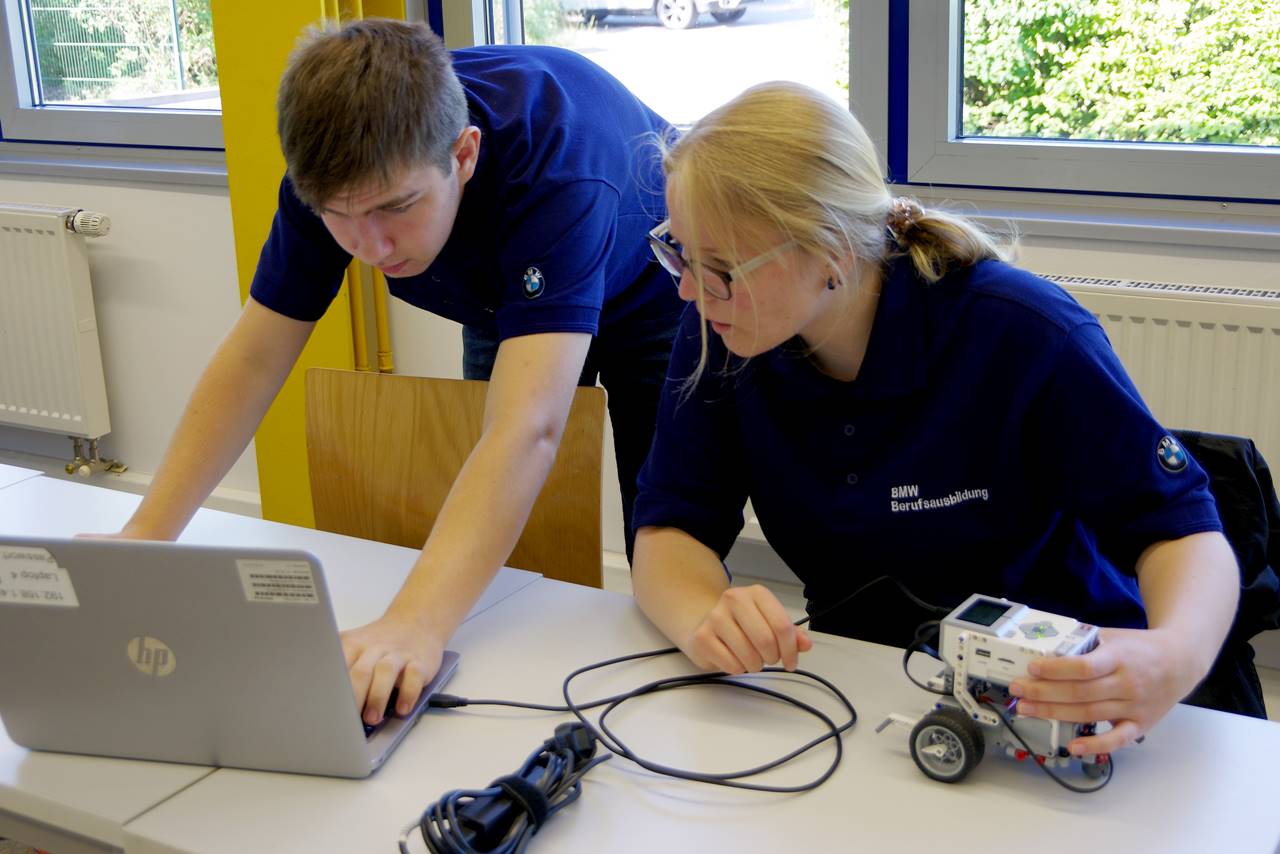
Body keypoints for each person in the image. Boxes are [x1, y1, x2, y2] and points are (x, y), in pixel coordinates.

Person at [629, 81, 1244, 759]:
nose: (687, 290)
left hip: (1062, 701)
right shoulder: (724, 329)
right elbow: (670, 528)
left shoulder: (1022, 332)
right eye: (679, 251)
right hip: (866, 695)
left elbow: (1184, 530)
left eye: (720, 267)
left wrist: (1176, 655)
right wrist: (705, 617)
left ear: (831, 254)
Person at [101, 19, 682, 727]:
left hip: (653, 284)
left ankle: (669, 724)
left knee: (662, 534)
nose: (369, 247)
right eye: (340, 217)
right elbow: (255, 357)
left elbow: (527, 429)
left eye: (396, 209)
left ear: (463, 154)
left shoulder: (558, 165)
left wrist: (411, 623)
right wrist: (146, 538)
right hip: (504, 283)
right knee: (509, 553)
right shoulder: (335, 178)